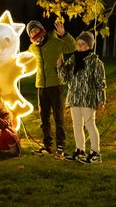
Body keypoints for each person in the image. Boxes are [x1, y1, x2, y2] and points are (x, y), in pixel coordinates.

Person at [27, 20, 76, 159]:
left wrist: (64, 34)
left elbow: (72, 47)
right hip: (41, 85)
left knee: (58, 117)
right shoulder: (32, 48)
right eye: (31, 32)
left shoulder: (55, 42)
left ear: (41, 29)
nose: (34, 33)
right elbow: (26, 61)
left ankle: (60, 146)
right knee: (44, 118)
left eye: (36, 30)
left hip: (56, 84)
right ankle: (47, 146)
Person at [57, 31, 106, 164]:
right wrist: (60, 66)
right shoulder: (73, 59)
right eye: (78, 44)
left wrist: (101, 99)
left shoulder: (95, 62)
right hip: (74, 97)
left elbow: (100, 83)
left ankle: (95, 153)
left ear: (89, 46)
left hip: (88, 98)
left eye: (83, 45)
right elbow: (64, 78)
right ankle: (80, 150)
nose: (80, 47)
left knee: (89, 124)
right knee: (77, 125)